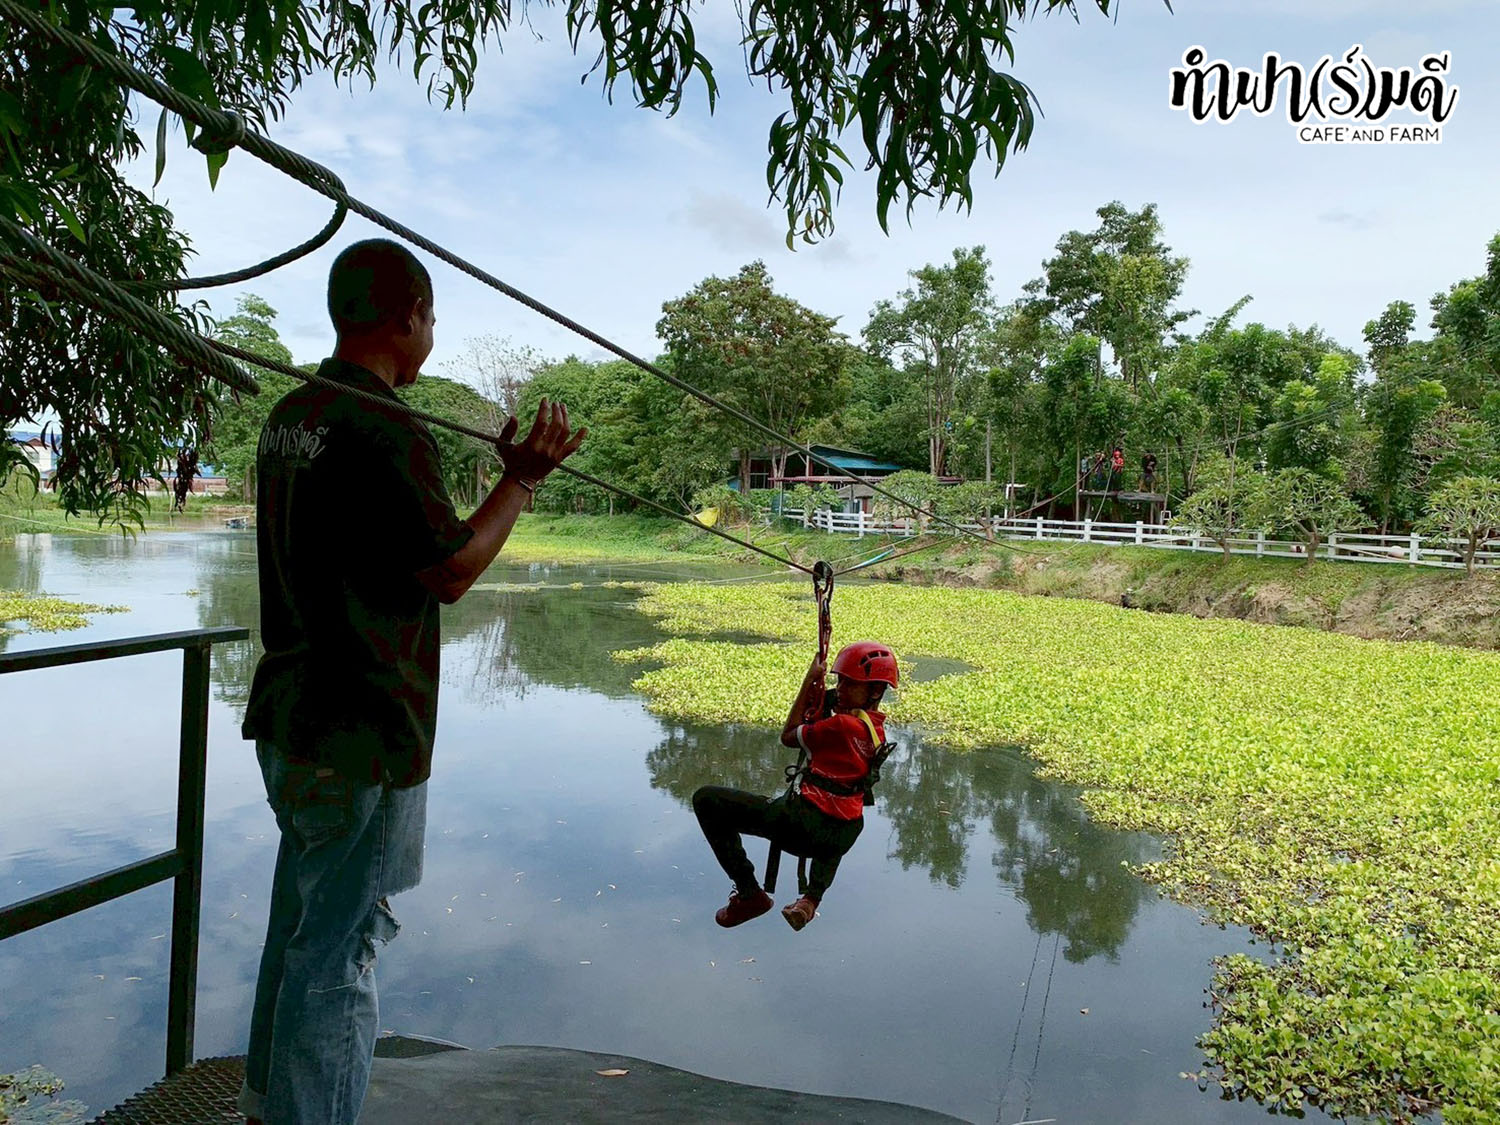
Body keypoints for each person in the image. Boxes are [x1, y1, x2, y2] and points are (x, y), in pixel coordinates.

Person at [237, 238, 585, 1125]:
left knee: (299, 928)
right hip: (360, 733)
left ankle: (266, 1105)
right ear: (409, 317)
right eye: (432, 318)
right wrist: (520, 480)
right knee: (341, 952)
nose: (433, 335)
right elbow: (451, 568)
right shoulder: (386, 428)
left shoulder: (291, 414)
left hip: (288, 719)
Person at [691, 641, 898, 931]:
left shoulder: (842, 726)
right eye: (839, 681)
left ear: (874, 691)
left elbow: (789, 735)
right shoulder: (876, 731)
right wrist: (824, 694)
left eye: (849, 684)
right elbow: (833, 719)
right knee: (840, 816)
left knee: (706, 800)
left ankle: (750, 893)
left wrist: (809, 680)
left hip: (802, 824)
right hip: (843, 832)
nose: (840, 688)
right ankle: (811, 900)